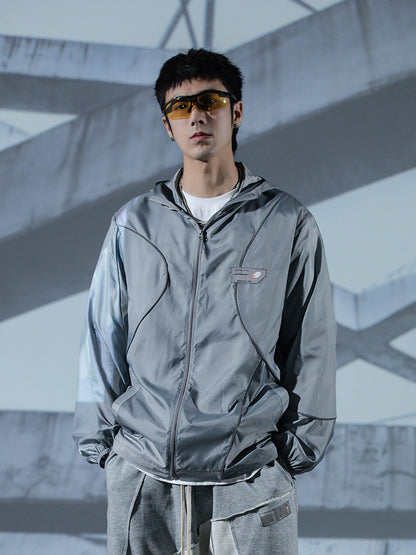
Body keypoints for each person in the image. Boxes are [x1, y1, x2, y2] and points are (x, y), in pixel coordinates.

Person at [73, 48, 337, 555]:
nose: (196, 115)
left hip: (250, 477)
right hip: (142, 475)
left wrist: (295, 452)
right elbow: (102, 336)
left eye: (210, 100)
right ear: (167, 125)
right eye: (180, 106)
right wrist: (105, 450)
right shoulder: (133, 224)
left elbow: (313, 342)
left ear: (235, 112)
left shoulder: (286, 222)